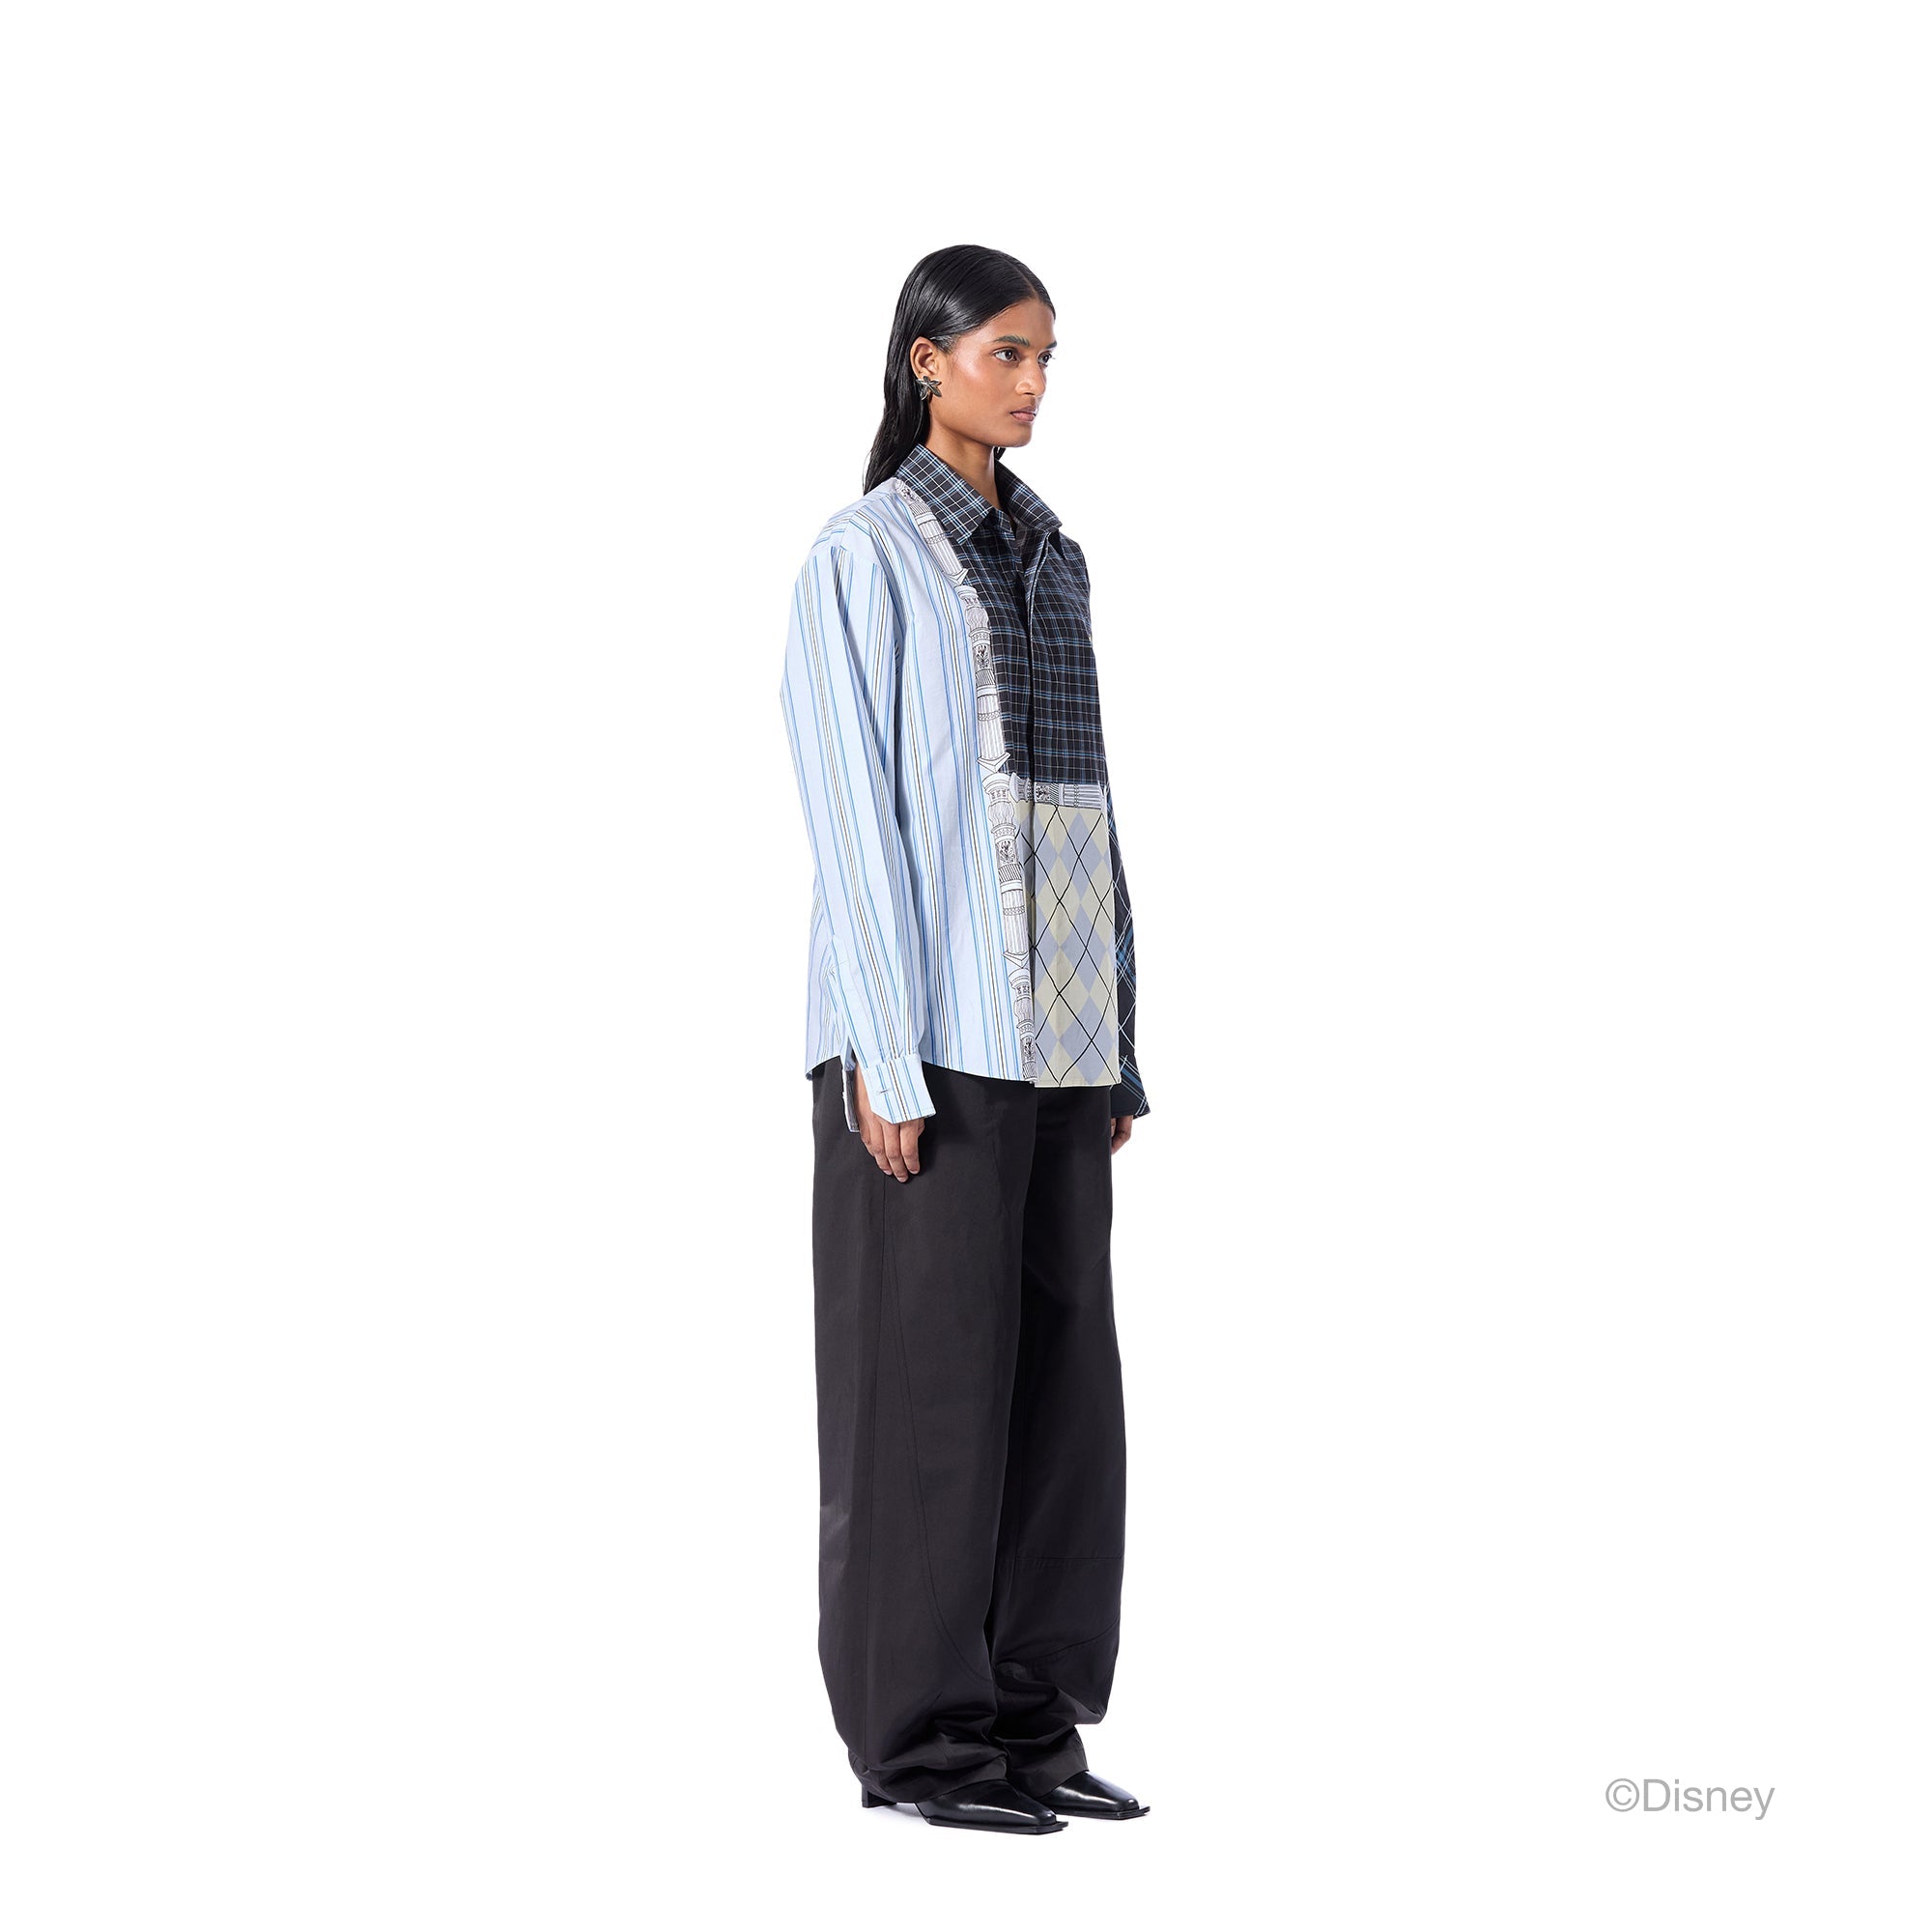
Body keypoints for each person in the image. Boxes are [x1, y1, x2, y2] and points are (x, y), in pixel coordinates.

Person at [778, 244, 1152, 1836]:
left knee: (1063, 1397)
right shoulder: (866, 554)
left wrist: (1118, 1031)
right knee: (922, 1399)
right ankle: (922, 1746)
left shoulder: (1054, 556)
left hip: (1057, 1040)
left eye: (1048, 357)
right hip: (927, 1038)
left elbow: (1086, 805)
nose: (1035, 383)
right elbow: (848, 807)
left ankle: (1029, 1720)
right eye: (1008, 352)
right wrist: (881, 1047)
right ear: (926, 361)